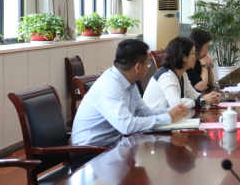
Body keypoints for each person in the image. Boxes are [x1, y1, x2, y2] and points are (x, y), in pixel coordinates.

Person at [71, 39, 188, 170]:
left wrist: (171, 112)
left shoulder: (128, 81)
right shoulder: (111, 86)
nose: (148, 68)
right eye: (148, 63)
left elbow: (142, 112)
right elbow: (126, 126)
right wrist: (168, 117)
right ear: (137, 67)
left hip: (110, 149)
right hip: (89, 155)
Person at [143, 37, 220, 110]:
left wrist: (209, 97)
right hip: (155, 118)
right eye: (194, 54)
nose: (196, 57)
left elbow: (191, 94)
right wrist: (202, 101)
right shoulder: (166, 76)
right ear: (183, 57)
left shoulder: (181, 72)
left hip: (168, 116)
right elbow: (176, 104)